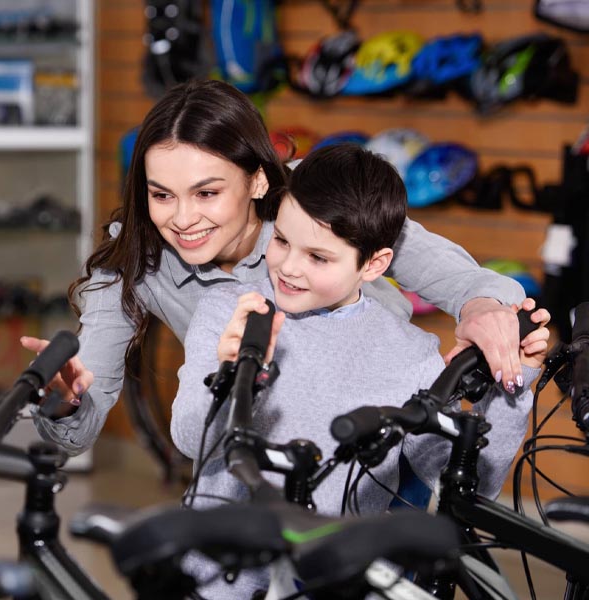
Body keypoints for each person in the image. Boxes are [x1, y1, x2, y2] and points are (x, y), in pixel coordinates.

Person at [22, 78, 527, 456]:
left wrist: (484, 309)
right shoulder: (132, 258)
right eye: (161, 194)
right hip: (262, 454)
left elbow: (454, 276)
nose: (181, 218)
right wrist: (65, 400)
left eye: (207, 192)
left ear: (259, 182)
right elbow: (80, 429)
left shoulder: (318, 196)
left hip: (377, 440)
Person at [170, 144, 550, 598]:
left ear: (374, 264)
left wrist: (513, 386)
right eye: (283, 240)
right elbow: (190, 437)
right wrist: (232, 376)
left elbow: (468, 487)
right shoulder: (229, 312)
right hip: (213, 581)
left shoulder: (411, 356)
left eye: (319, 257)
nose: (288, 267)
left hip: (336, 583)